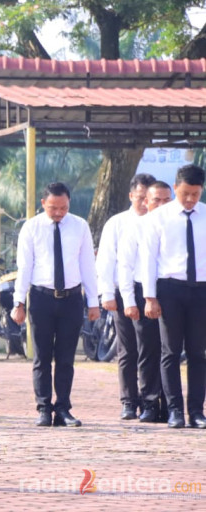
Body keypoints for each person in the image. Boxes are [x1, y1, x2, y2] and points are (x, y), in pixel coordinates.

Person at [12, 182, 99, 428]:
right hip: (41, 298)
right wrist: (18, 302)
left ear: (69, 203)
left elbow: (87, 267)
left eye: (63, 207)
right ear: (43, 204)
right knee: (41, 356)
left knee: (65, 358)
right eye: (53, 208)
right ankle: (43, 408)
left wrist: (93, 301)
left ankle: (62, 408)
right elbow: (24, 268)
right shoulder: (31, 228)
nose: (59, 212)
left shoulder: (80, 226)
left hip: (71, 299)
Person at [142, 164, 206, 429]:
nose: (190, 199)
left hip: (201, 290)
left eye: (195, 193)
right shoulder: (158, 218)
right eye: (185, 194)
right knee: (170, 352)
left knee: (198, 353)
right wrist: (149, 297)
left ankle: (197, 411)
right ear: (176, 188)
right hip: (170, 289)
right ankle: (175, 411)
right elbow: (148, 260)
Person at [96, 173, 156, 420]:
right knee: (128, 349)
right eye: (139, 197)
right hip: (123, 293)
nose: (143, 203)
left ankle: (152, 401)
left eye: (147, 198)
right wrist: (107, 293)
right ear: (131, 195)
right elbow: (106, 260)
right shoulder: (117, 223)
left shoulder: (159, 221)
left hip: (153, 293)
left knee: (152, 350)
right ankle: (129, 401)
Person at [117, 180, 172, 423]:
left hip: (173, 290)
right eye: (156, 200)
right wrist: (129, 300)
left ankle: (172, 404)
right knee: (147, 350)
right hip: (142, 293)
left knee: (170, 350)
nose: (161, 205)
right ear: (146, 202)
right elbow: (125, 267)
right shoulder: (136, 228)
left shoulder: (179, 225)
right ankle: (149, 402)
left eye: (166, 200)